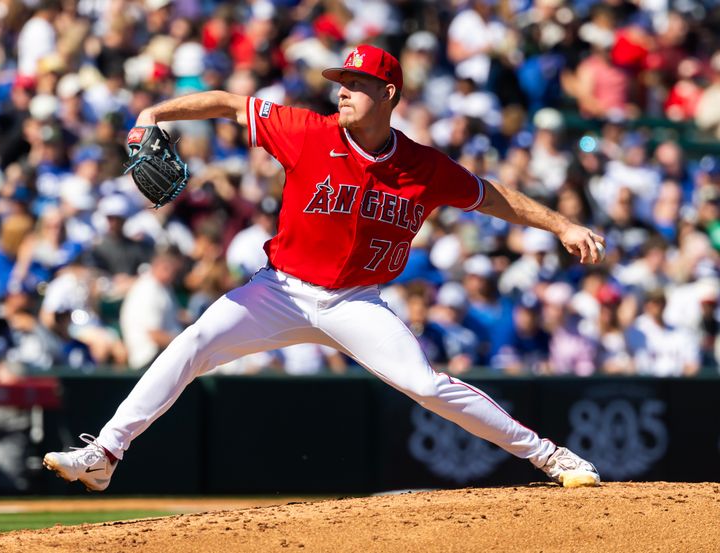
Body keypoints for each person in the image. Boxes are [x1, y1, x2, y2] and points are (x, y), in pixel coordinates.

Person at [44, 45, 604, 491]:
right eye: (340, 82)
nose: (343, 92)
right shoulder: (308, 131)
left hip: (354, 300)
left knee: (424, 384)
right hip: (279, 289)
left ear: (388, 94)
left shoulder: (423, 166)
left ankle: (552, 457)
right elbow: (226, 103)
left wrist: (561, 225)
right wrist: (153, 113)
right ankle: (105, 454)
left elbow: (491, 195)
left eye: (356, 84)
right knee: (192, 343)